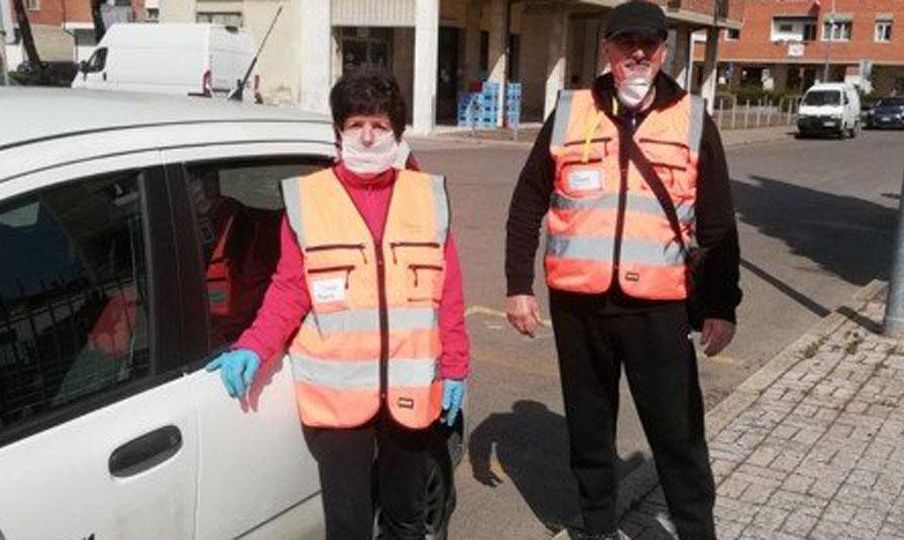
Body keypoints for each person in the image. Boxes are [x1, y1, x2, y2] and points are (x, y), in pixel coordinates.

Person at [504, 2, 741, 539]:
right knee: (589, 431)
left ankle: (695, 529)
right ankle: (597, 527)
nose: (637, 53)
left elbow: (719, 222)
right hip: (579, 305)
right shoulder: (569, 112)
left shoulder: (693, 118)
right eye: (626, 43)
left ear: (664, 51)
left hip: (658, 308)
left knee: (677, 434)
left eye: (649, 44)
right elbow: (527, 202)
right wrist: (518, 286)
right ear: (606, 49)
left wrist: (722, 306)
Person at [206, 66, 470, 540]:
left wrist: (455, 367)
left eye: (380, 125)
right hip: (339, 400)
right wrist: (254, 344)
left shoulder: (428, 197)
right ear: (338, 132)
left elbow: (448, 291)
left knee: (406, 520)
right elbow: (289, 289)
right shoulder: (309, 200)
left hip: (411, 392)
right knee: (347, 526)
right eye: (356, 125)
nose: (368, 137)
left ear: (397, 133)